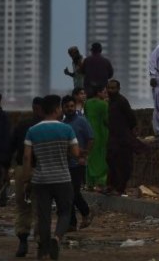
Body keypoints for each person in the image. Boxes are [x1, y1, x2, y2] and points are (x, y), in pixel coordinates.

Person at [23, 94, 79, 260]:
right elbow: (76, 153)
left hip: (41, 179)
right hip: (62, 178)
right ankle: (57, 238)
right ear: (57, 109)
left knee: (44, 215)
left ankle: (44, 248)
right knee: (65, 212)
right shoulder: (67, 129)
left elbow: (27, 158)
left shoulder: (32, 131)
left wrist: (27, 179)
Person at [10, 97, 45, 257]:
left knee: (23, 207)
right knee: (40, 208)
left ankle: (23, 241)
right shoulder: (49, 127)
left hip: (22, 170)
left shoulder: (22, 125)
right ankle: (39, 243)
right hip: (42, 170)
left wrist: (4, 170)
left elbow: (10, 148)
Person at [61, 96, 93, 231]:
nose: (70, 109)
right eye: (67, 106)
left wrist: (84, 155)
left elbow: (91, 139)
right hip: (65, 164)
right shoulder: (62, 124)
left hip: (78, 163)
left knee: (73, 192)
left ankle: (86, 212)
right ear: (62, 108)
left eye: (72, 106)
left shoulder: (82, 121)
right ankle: (71, 223)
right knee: (67, 195)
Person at [105, 79, 143, 196]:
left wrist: (126, 131)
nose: (111, 90)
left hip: (123, 138)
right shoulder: (109, 102)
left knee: (123, 164)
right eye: (109, 88)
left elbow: (131, 119)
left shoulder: (122, 101)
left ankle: (120, 188)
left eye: (113, 88)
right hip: (113, 137)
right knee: (111, 161)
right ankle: (111, 186)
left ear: (118, 89)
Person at [83, 87, 109, 190]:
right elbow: (107, 120)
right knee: (102, 160)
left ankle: (89, 183)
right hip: (102, 135)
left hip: (89, 134)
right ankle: (100, 182)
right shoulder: (104, 104)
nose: (106, 94)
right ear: (98, 93)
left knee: (91, 159)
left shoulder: (87, 103)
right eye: (104, 92)